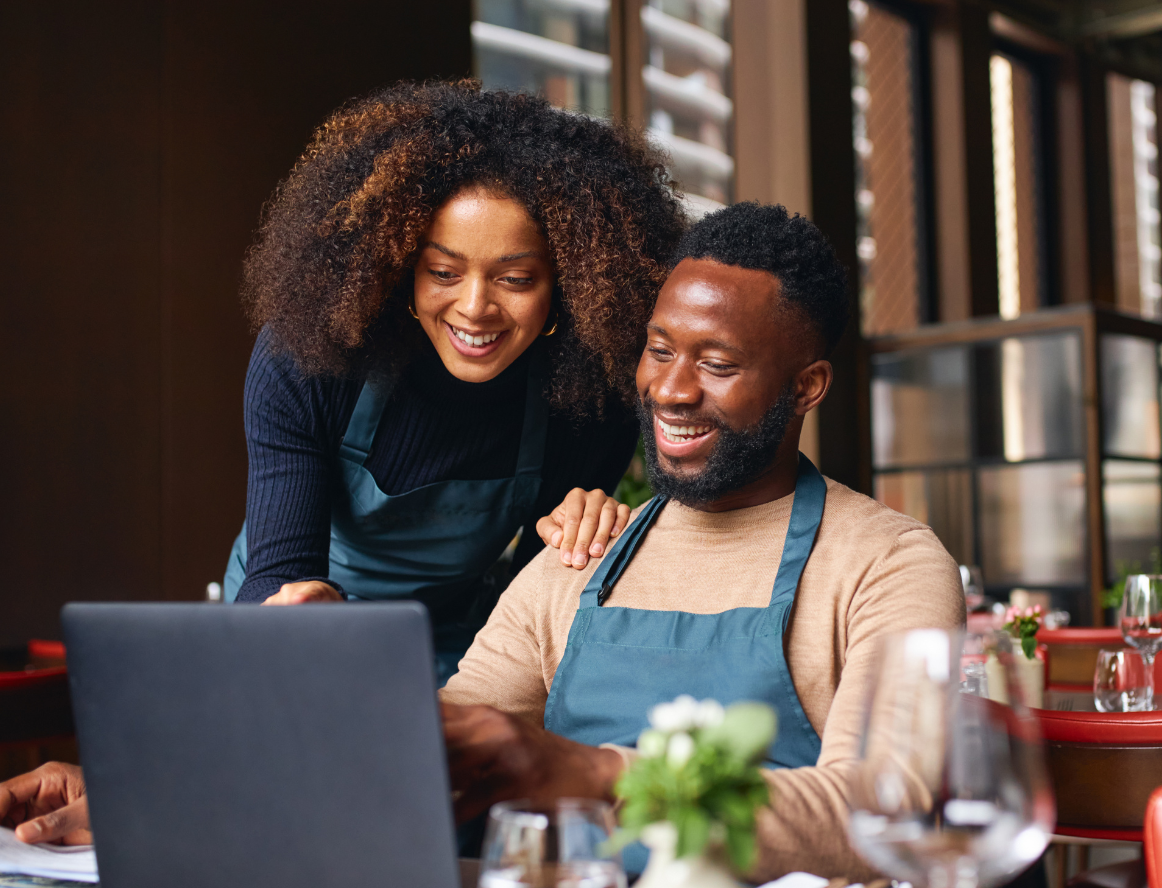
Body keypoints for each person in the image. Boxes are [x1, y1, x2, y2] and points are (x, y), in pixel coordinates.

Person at [1, 204, 963, 882]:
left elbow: (884, 806)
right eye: (659, 350)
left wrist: (586, 773)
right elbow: (414, 755)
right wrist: (153, 791)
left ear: (808, 387)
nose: (670, 391)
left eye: (716, 364)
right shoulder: (581, 555)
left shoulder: (886, 562)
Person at [222, 80, 687, 682]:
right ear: (398, 266)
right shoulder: (310, 358)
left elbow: (530, 606)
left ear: (569, 287)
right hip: (294, 628)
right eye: (443, 271)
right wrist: (295, 607)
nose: (474, 308)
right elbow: (278, 569)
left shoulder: (589, 399)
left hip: (451, 644)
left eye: (515, 279)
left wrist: (582, 539)